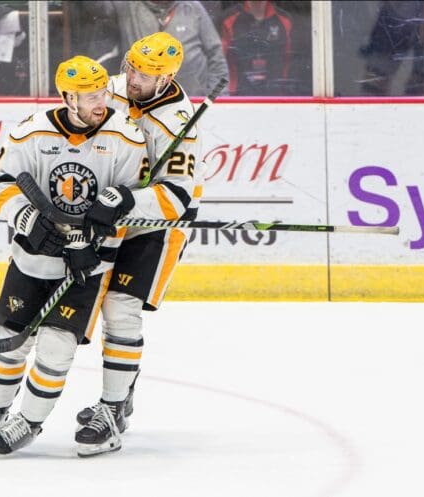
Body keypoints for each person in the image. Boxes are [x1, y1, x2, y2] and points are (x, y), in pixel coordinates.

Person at [0, 55, 149, 456]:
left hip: (87, 263)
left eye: (102, 93)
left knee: (57, 344)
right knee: (9, 339)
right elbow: (2, 183)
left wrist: (90, 245)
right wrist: (26, 218)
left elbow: (126, 202)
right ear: (67, 98)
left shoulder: (126, 136)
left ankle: (29, 421)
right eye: (89, 96)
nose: (100, 102)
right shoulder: (32, 131)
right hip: (32, 257)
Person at [75, 31, 204, 456]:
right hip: (108, 218)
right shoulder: (110, 89)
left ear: (166, 79)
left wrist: (127, 199)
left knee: (121, 309)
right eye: (131, 68)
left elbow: (178, 196)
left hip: (156, 224)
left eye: (145, 76)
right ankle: (122, 391)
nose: (132, 79)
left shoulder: (178, 121)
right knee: (89, 304)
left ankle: (112, 408)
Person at [79, 1, 228, 97]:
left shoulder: (192, 7)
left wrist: (216, 99)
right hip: (142, 105)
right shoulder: (127, 5)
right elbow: (96, 6)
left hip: (193, 104)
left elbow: (216, 56)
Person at [220, 0, 294, 96]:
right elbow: (219, 65)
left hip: (275, 98)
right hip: (238, 98)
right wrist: (215, 99)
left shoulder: (285, 20)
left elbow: (290, 63)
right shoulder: (228, 20)